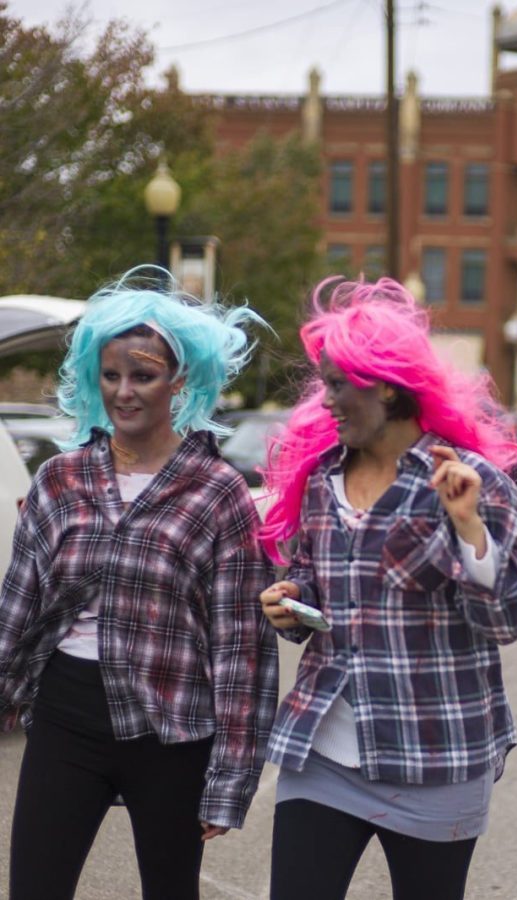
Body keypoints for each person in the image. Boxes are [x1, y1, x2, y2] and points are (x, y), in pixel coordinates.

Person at [257, 277, 517, 900]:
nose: (324, 400)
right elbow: (313, 577)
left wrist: (468, 527)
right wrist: (292, 604)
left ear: (384, 383)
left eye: (337, 384)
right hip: (325, 751)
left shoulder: (471, 483)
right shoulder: (322, 478)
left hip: (435, 751)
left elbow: (510, 621)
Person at [0, 271, 279, 900]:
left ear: (179, 381)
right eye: (111, 376)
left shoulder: (217, 492)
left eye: (144, 376)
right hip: (68, 710)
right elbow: (16, 609)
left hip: (172, 724)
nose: (124, 392)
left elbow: (241, 647)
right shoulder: (59, 479)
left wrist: (230, 777)